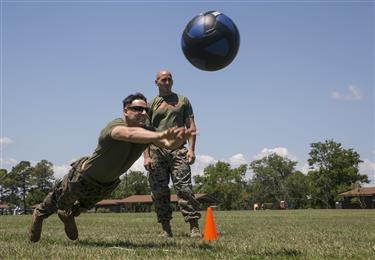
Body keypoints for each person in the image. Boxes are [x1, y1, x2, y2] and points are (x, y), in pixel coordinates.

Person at [29, 92, 193, 242]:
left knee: (81, 207)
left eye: (146, 110)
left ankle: (67, 216)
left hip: (106, 185)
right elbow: (128, 134)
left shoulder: (148, 131)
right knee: (55, 203)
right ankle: (39, 215)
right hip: (82, 177)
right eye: (137, 109)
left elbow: (167, 143)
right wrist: (160, 134)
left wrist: (179, 137)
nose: (143, 113)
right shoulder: (115, 125)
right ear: (125, 110)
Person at [143, 70, 201, 238]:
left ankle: (194, 226)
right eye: (163, 80)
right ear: (156, 83)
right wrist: (146, 156)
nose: (167, 82)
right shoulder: (151, 103)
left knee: (184, 188)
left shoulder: (183, 101)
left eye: (169, 79)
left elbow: (191, 127)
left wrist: (191, 149)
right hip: (157, 151)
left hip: (178, 150)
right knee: (159, 191)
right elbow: (145, 132)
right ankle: (165, 228)